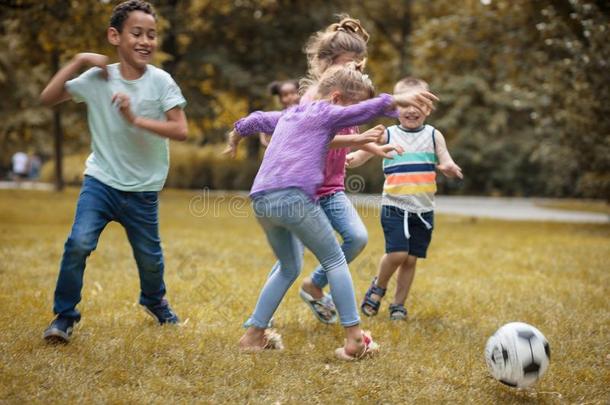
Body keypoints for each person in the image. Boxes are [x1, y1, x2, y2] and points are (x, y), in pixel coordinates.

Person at [224, 64, 438, 359]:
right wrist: (401, 100)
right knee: (334, 259)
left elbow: (256, 120)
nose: (354, 115)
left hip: (262, 200)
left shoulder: (290, 114)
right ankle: (354, 340)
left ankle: (253, 334)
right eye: (353, 105)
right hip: (293, 196)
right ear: (337, 98)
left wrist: (235, 137)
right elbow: (371, 109)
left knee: (288, 267)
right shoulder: (326, 112)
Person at [39, 0, 188, 343]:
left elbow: (180, 130)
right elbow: (48, 98)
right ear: (114, 36)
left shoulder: (161, 81)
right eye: (136, 33)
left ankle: (154, 301)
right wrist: (78, 60)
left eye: (151, 35)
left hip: (143, 188)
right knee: (78, 243)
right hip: (101, 182)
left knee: (150, 259)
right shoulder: (97, 79)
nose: (145, 41)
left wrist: (135, 119)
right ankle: (64, 316)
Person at [267, 16, 395, 325]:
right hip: (302, 191)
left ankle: (314, 285)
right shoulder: (313, 98)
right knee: (289, 261)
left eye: (356, 64)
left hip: (332, 188)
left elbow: (340, 144)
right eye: (346, 64)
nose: (353, 70)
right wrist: (356, 139)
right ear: (326, 62)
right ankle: (262, 320)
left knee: (357, 237)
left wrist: (359, 152)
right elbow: (315, 137)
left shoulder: (350, 95)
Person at [346, 77, 462, 321]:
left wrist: (449, 165)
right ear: (394, 108)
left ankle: (398, 305)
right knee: (398, 253)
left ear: (428, 108)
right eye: (405, 104)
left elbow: (445, 157)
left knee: (410, 259)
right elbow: (362, 153)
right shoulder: (388, 134)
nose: (411, 109)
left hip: (424, 209)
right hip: (395, 206)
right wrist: (351, 159)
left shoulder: (433, 135)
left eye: (418, 104)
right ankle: (379, 286)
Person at [259, 80, 300, 147]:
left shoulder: (306, 111)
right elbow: (264, 123)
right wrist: (264, 140)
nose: (290, 97)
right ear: (280, 99)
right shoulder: (279, 116)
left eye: (293, 93)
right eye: (285, 95)